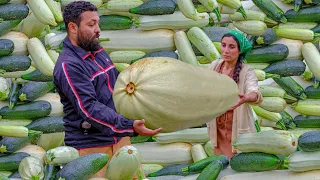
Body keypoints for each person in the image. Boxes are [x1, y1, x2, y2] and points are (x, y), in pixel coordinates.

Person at [53, 1, 162, 178]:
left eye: (97, 23)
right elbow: (89, 109)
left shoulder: (97, 51)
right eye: (91, 24)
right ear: (73, 27)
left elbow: (119, 85)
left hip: (120, 141)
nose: (98, 29)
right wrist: (130, 125)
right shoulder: (68, 66)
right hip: (91, 148)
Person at [207, 30, 263, 159]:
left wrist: (246, 98)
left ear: (240, 51)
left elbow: (254, 92)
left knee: (238, 162)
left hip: (237, 127)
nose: (226, 50)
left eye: (231, 47)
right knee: (221, 162)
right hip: (218, 127)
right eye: (223, 45)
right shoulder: (214, 66)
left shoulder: (247, 71)